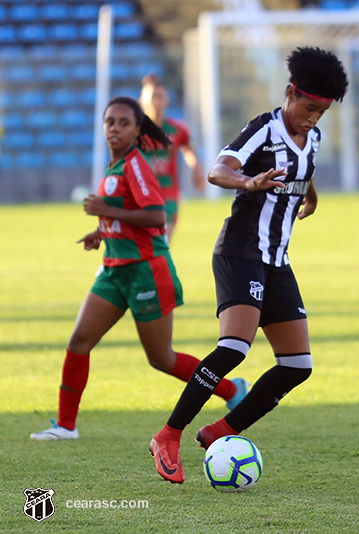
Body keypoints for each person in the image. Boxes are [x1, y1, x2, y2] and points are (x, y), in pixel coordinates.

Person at [149, 47, 348, 484]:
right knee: (234, 348)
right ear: (291, 92)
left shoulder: (311, 136)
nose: (314, 118)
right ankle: (168, 435)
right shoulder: (264, 128)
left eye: (323, 112)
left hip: (276, 261)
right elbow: (217, 170)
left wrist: (310, 198)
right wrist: (247, 181)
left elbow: (304, 167)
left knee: (297, 366)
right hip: (240, 252)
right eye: (310, 107)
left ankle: (222, 430)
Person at [30, 97, 247, 442]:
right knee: (79, 341)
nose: (114, 128)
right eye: (109, 122)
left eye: (123, 123)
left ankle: (230, 389)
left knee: (161, 358)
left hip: (147, 270)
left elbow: (156, 216)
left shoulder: (135, 165)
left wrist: (106, 210)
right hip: (114, 269)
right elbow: (125, 210)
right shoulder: (114, 166)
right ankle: (65, 426)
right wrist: (102, 231)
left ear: (137, 130)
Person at [140, 73, 205, 241]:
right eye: (153, 96)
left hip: (168, 194)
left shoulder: (177, 130)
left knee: (161, 244)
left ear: (167, 100)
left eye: (160, 96)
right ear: (142, 100)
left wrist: (196, 167)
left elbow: (188, 149)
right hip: (141, 195)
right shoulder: (134, 131)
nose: (156, 101)